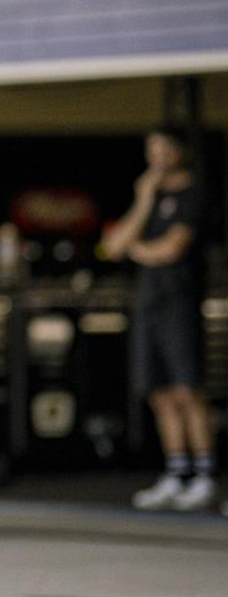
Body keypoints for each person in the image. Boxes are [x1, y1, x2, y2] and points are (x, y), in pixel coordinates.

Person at [101, 127, 215, 511]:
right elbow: (114, 246)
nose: (158, 156)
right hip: (148, 305)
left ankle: (204, 474)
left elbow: (173, 248)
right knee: (159, 394)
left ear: (181, 151)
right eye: (152, 149)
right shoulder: (151, 196)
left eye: (166, 148)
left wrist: (138, 249)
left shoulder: (193, 194)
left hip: (180, 303)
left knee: (187, 390)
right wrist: (144, 199)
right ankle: (175, 472)